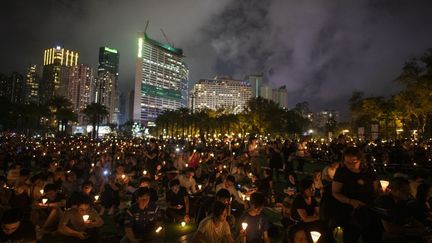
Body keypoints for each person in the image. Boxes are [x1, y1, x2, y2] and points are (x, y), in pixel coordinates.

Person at [332, 146, 381, 242]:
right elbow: (335, 192)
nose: (349, 165)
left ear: (360, 160)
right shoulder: (342, 172)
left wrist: (381, 192)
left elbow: (375, 191)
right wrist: (351, 201)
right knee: (350, 238)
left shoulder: (369, 170)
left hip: (368, 211)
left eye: (353, 162)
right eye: (346, 162)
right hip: (349, 213)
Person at [375, 177, 429, 243]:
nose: (409, 193)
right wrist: (416, 231)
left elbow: (409, 218)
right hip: (380, 234)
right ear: (395, 190)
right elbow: (389, 229)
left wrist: (424, 228)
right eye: (405, 191)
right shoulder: (383, 201)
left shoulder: (401, 201)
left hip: (394, 233)